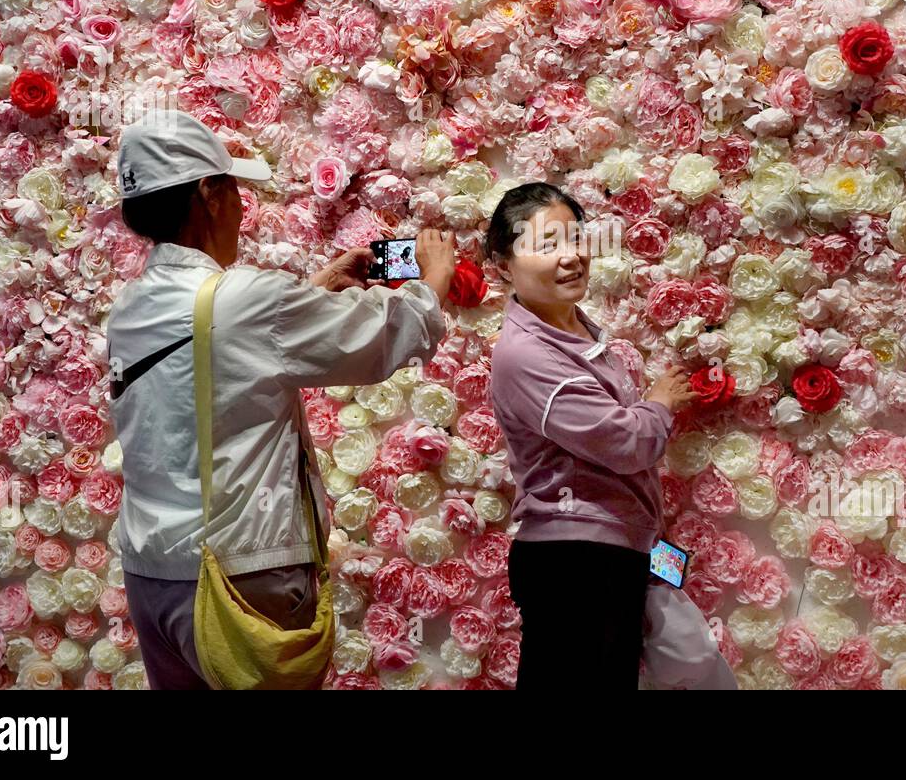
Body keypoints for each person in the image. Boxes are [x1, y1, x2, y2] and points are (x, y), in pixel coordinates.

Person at [107, 109, 455, 689]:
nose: (243, 206)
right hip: (240, 574)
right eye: (235, 189)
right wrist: (433, 281)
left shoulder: (132, 306)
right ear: (209, 195)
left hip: (151, 574)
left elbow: (216, 352)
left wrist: (311, 293)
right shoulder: (245, 300)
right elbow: (383, 339)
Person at [486, 182, 695, 690]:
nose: (571, 257)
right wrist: (661, 403)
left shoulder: (579, 329)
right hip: (575, 563)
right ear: (502, 264)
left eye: (575, 238)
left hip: (609, 552)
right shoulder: (526, 354)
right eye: (546, 245)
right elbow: (625, 443)